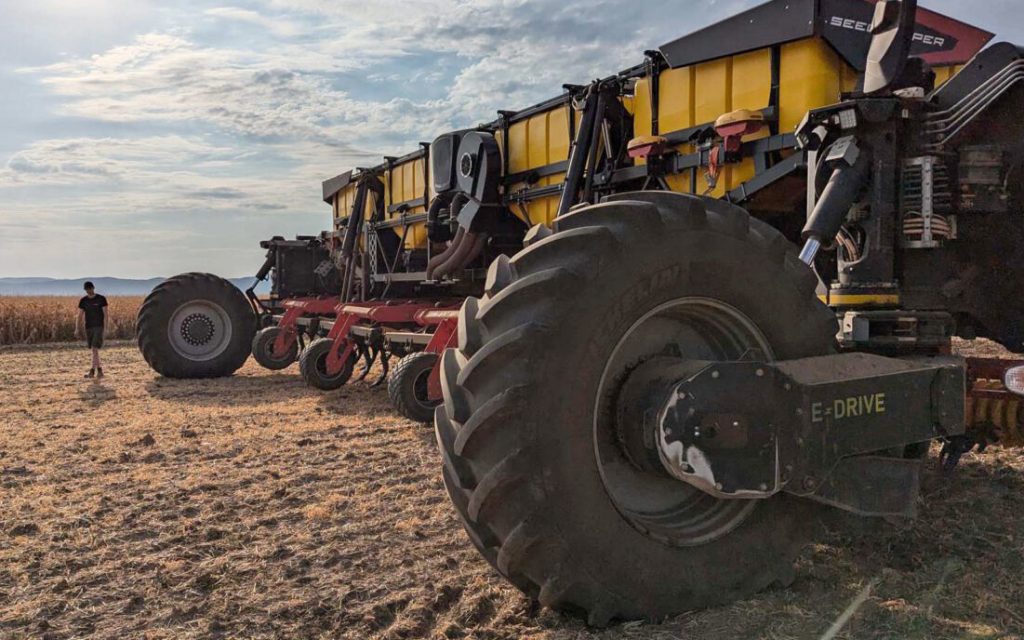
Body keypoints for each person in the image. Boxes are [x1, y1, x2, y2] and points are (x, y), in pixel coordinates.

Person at [76, 281, 108, 379]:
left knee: (94, 349)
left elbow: (106, 315)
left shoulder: (101, 299)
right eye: (87, 289)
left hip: (99, 327)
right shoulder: (83, 301)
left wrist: (106, 328)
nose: (89, 291)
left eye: (90, 289)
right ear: (85, 290)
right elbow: (79, 315)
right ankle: (100, 371)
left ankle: (92, 371)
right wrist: (77, 328)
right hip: (88, 327)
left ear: (93, 288)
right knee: (94, 350)